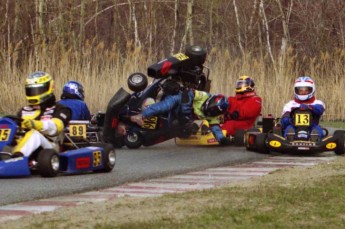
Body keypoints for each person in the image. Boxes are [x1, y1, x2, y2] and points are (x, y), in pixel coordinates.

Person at [130, 84, 230, 145]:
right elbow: (189, 93)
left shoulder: (213, 117)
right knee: (165, 106)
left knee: (182, 129)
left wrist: (222, 139)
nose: (212, 110)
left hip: (182, 117)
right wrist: (185, 110)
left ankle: (145, 135)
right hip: (179, 100)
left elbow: (216, 129)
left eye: (215, 111)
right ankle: (141, 116)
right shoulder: (204, 95)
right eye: (213, 107)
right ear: (211, 100)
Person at [12, 71, 71, 158]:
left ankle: (17, 158)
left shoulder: (60, 109)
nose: (34, 93)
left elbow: (55, 128)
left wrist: (35, 124)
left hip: (50, 148)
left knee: (34, 134)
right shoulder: (24, 110)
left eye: (37, 90)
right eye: (31, 90)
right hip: (23, 143)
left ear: (49, 88)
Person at [280, 76, 325, 141]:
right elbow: (284, 120)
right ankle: (290, 138)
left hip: (312, 126)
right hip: (294, 126)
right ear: (296, 90)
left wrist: (310, 107)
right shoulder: (290, 104)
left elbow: (320, 110)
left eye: (306, 90)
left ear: (312, 90)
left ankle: (314, 138)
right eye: (301, 90)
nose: (303, 92)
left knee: (317, 130)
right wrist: (290, 120)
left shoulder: (317, 103)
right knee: (289, 128)